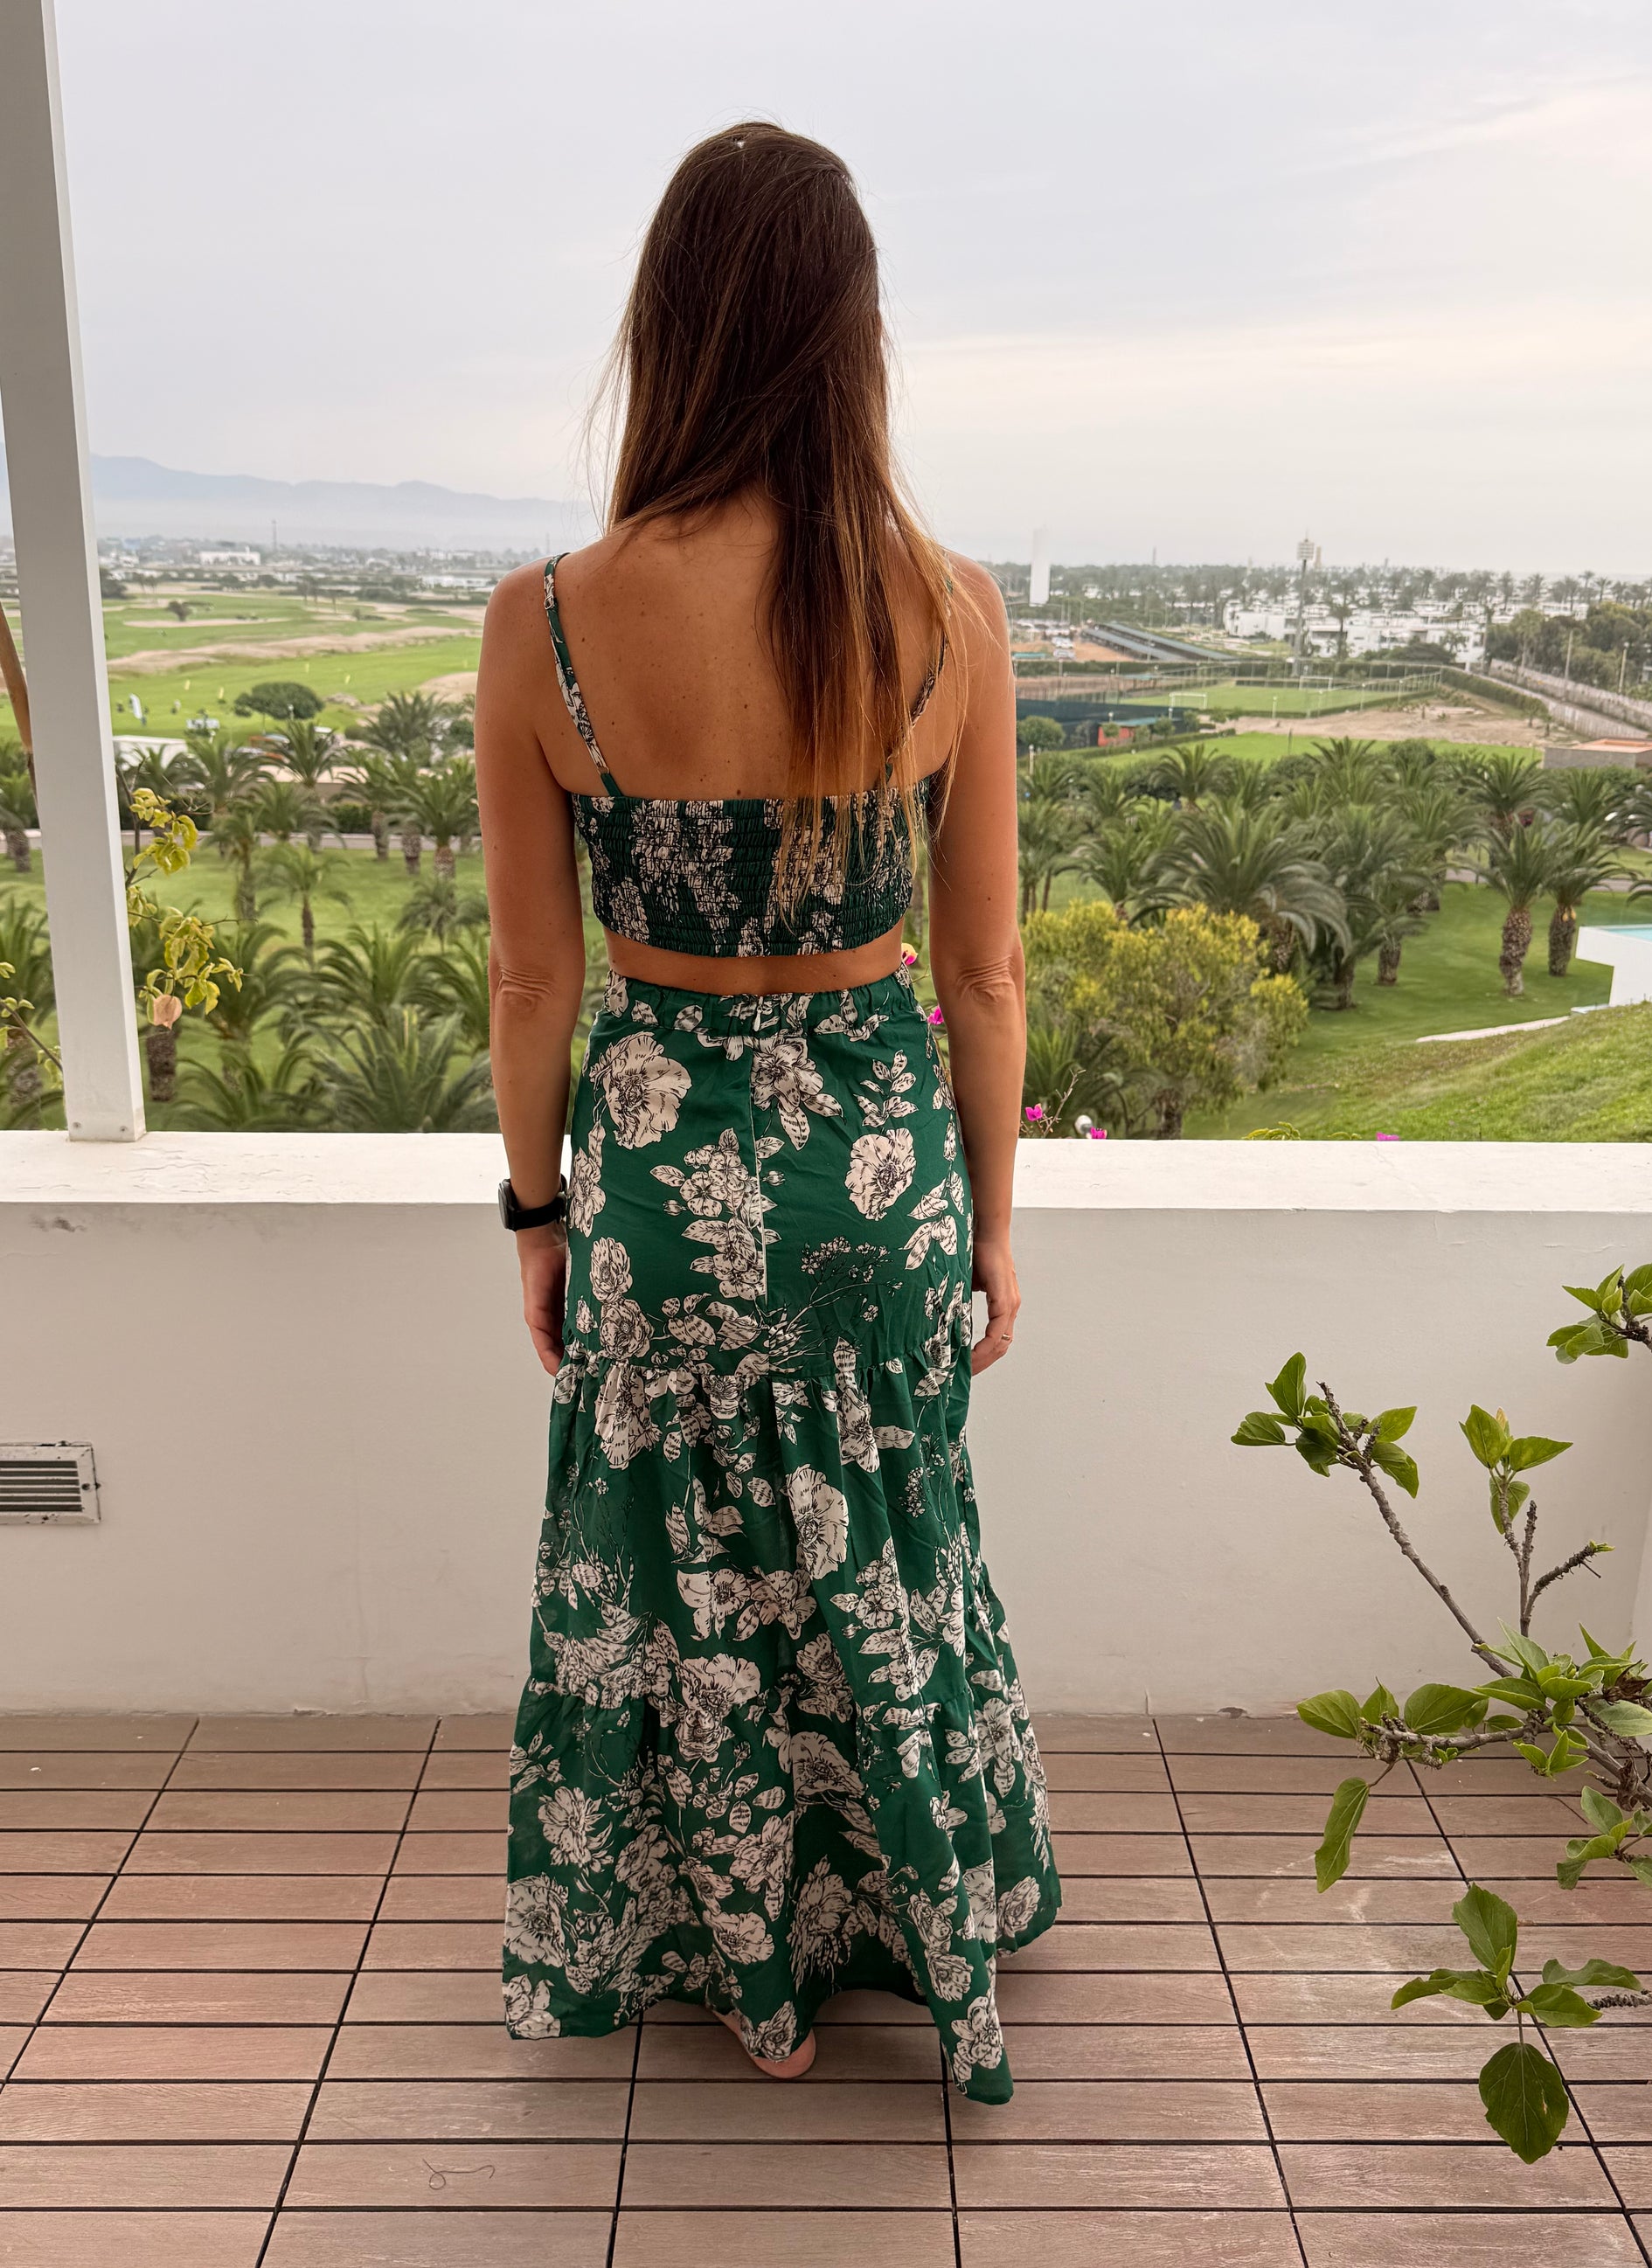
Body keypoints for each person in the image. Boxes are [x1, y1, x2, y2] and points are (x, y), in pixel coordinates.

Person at [475, 121, 1058, 2105]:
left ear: (669, 328)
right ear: (850, 338)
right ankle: (914, 1922)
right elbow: (984, 973)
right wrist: (992, 1223)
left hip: (658, 1180)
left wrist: (537, 1215)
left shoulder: (550, 617)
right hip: (878, 1177)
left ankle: (744, 1969)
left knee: (684, 1585)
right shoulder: (949, 607)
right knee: (888, 1548)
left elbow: (535, 983)